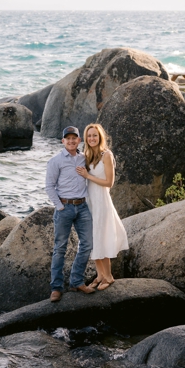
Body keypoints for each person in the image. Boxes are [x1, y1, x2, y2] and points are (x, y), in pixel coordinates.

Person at [44, 125, 95, 302]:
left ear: (79, 140)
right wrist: (59, 206)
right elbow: (49, 186)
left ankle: (76, 281)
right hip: (64, 208)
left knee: (87, 244)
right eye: (68, 138)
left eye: (75, 138)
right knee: (60, 249)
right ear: (63, 141)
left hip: (82, 207)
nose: (72, 141)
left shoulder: (84, 159)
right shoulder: (55, 161)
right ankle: (56, 288)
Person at [75, 123, 128, 289]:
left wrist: (87, 176)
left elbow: (109, 182)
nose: (92, 138)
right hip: (89, 201)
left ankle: (109, 277)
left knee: (102, 237)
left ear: (100, 137)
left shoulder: (107, 155)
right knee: (92, 239)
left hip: (101, 201)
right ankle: (99, 275)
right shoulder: (87, 155)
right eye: (89, 136)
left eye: (94, 135)